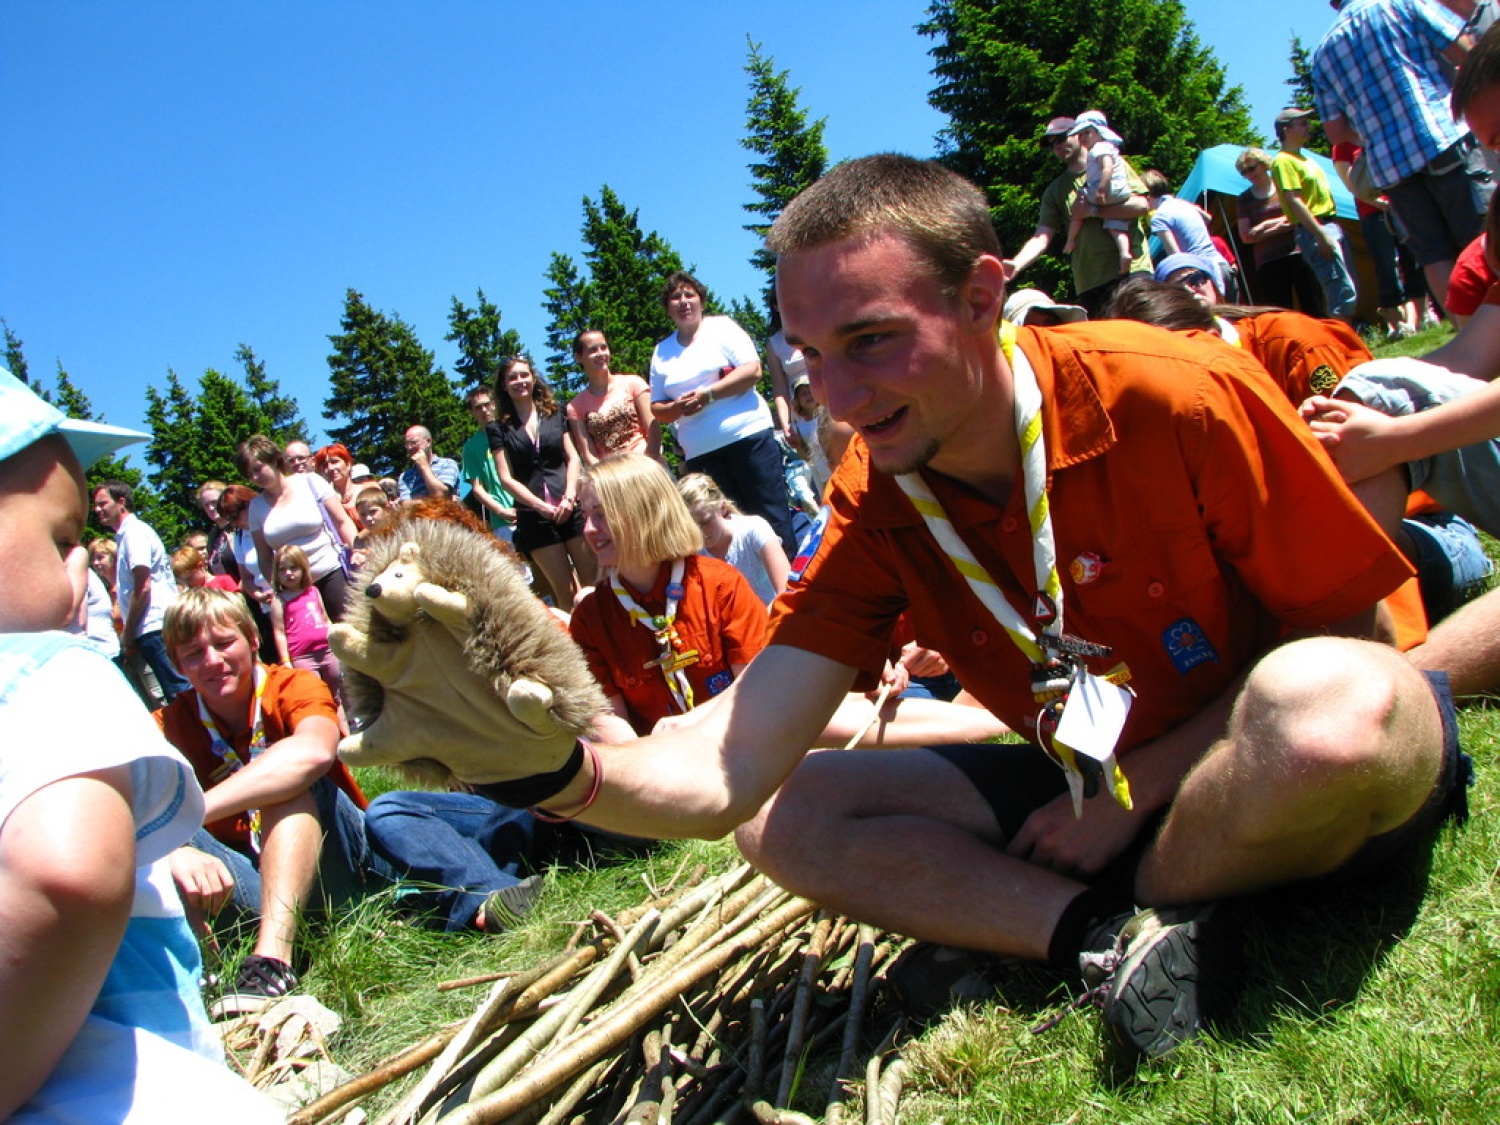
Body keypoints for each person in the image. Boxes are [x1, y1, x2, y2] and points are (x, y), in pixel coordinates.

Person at [349, 155, 1464, 1066]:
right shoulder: (876, 496)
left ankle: (1144, 895)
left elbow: (1360, 644)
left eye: (871, 340)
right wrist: (556, 775)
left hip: (1247, 749)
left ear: (982, 295)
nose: (835, 396)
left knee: (1333, 714)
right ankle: (1099, 939)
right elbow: (729, 768)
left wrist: (1140, 797)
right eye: (810, 357)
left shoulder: (1169, 392)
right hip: (1084, 774)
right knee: (782, 819)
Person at [0, 366, 279, 1121]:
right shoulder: (51, 672)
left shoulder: (60, 676)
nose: (84, 567)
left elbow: (69, 867)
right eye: (62, 541)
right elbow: (68, 871)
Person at [156, 588, 386, 1013]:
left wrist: (188, 816)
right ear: (176, 664)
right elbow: (126, 810)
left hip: (336, 866)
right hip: (249, 886)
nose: (212, 661)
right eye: (193, 653)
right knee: (153, 833)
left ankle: (271, 963)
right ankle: (202, 974)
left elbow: (315, 751)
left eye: (225, 643)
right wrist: (175, 845)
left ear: (253, 639)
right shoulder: (168, 724)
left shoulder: (293, 684)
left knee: (287, 779)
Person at [1313, 0, 1495, 309]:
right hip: (1442, 137)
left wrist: (1373, 134)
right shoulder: (1399, 3)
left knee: (1433, 254)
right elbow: (1467, 52)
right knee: (1482, 235)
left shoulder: (1323, 53)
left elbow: (1336, 131)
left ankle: (1467, 333)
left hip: (1392, 168)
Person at [649, 270, 799, 557]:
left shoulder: (722, 328)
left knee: (771, 517)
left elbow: (753, 370)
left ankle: (794, 587)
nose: (683, 301)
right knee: (725, 530)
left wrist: (708, 395)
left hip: (748, 437)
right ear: (668, 307)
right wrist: (677, 408)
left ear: (701, 300)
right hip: (701, 454)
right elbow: (657, 408)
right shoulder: (662, 352)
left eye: (689, 294)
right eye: (675, 297)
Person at [1005, 115, 1152, 316]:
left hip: (1132, 270)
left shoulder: (1112, 162)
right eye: (1052, 143)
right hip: (1090, 282)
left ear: (1080, 134)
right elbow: (1041, 236)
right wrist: (1016, 265)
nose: (1057, 146)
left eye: (1062, 138)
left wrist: (1094, 211)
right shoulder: (1055, 191)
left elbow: (1142, 206)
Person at [490, 355, 596, 612]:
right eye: (512, 377)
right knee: (566, 593)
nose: (519, 381)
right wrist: (540, 506)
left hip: (570, 506)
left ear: (533, 378)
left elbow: (573, 458)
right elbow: (505, 477)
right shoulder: (498, 427)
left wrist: (570, 497)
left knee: (594, 584)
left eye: (524, 375)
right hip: (534, 517)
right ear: (504, 385)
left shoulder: (555, 412)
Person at [238, 433, 357, 622]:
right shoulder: (256, 507)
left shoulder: (310, 482)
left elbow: (342, 521)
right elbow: (265, 556)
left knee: (353, 633)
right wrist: (279, 590)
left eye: (258, 469)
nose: (254, 477)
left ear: (274, 461)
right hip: (296, 591)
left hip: (332, 574)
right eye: (249, 474)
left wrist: (357, 550)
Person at [91, 478, 192, 701]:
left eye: (102, 503)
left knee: (180, 691)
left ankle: (209, 735)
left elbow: (143, 586)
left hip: (154, 626)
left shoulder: (134, 533)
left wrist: (128, 633)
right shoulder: (126, 536)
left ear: (121, 502)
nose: (97, 510)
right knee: (177, 691)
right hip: (151, 627)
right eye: (95, 505)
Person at [1269, 108, 1359, 324]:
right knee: (1339, 289)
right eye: (1302, 123)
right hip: (1316, 228)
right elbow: (1294, 200)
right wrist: (1319, 234)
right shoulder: (1283, 161)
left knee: (1347, 285)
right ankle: (1343, 342)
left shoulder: (1304, 158)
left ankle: (1348, 337)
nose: (1309, 127)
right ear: (1286, 130)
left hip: (1329, 224)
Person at [1234, 146, 1325, 314]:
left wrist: (1264, 226)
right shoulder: (1244, 200)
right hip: (1267, 260)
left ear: (1263, 164)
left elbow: (1300, 216)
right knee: (1280, 310)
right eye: (1244, 172)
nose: (1249, 174)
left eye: (1252, 168)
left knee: (1312, 302)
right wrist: (1280, 225)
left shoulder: (1284, 187)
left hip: (1299, 251)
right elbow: (1246, 236)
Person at [678, 472, 790, 606]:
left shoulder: (754, 528)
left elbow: (786, 591)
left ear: (723, 508)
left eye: (705, 522)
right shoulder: (692, 553)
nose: (699, 533)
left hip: (772, 617)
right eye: (691, 526)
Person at [269, 544, 345, 717]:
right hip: (302, 656)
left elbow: (325, 619)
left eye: (293, 568)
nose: (288, 573)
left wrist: (337, 643)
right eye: (282, 569)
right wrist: (285, 660)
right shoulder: (279, 601)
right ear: (276, 573)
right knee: (317, 696)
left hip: (326, 650)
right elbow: (279, 632)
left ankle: (345, 734)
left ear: (303, 568)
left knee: (336, 696)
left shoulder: (313, 591)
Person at [566, 329, 659, 464]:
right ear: (579, 357)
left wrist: (650, 462)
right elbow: (589, 455)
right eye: (593, 350)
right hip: (611, 477)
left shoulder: (633, 383)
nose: (601, 354)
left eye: (603, 347)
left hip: (646, 464)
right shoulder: (575, 407)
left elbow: (653, 428)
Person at [1063, 111, 1137, 276]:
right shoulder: (1109, 148)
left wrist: (1101, 190)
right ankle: (1124, 252)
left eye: (1087, 133)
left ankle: (1070, 241)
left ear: (1099, 132)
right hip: (1120, 194)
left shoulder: (1099, 148)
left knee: (1078, 206)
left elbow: (1107, 167)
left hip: (1108, 189)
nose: (1083, 137)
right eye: (1080, 134)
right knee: (1116, 225)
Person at [1142, 169, 1234, 297]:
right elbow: (1207, 218)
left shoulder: (1159, 217)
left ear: (1146, 194)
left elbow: (1176, 256)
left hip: (1203, 274)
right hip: (1222, 264)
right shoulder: (1182, 203)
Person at [459, 386, 519, 545]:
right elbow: (477, 488)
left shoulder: (514, 431)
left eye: (488, 404)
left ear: (495, 404)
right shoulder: (472, 447)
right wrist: (501, 511)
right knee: (519, 569)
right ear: (472, 412)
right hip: (503, 521)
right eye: (478, 407)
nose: (484, 410)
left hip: (532, 507)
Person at [398, 425, 460, 503]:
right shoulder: (405, 476)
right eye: (407, 444)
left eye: (413, 443)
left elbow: (440, 495)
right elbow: (406, 506)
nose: (410, 447)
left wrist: (424, 467)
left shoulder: (447, 464)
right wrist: (432, 501)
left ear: (428, 441)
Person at [314, 443, 364, 530]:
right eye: (325, 465)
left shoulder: (366, 491)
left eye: (334, 462)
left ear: (348, 464)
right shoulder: (323, 502)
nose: (330, 468)